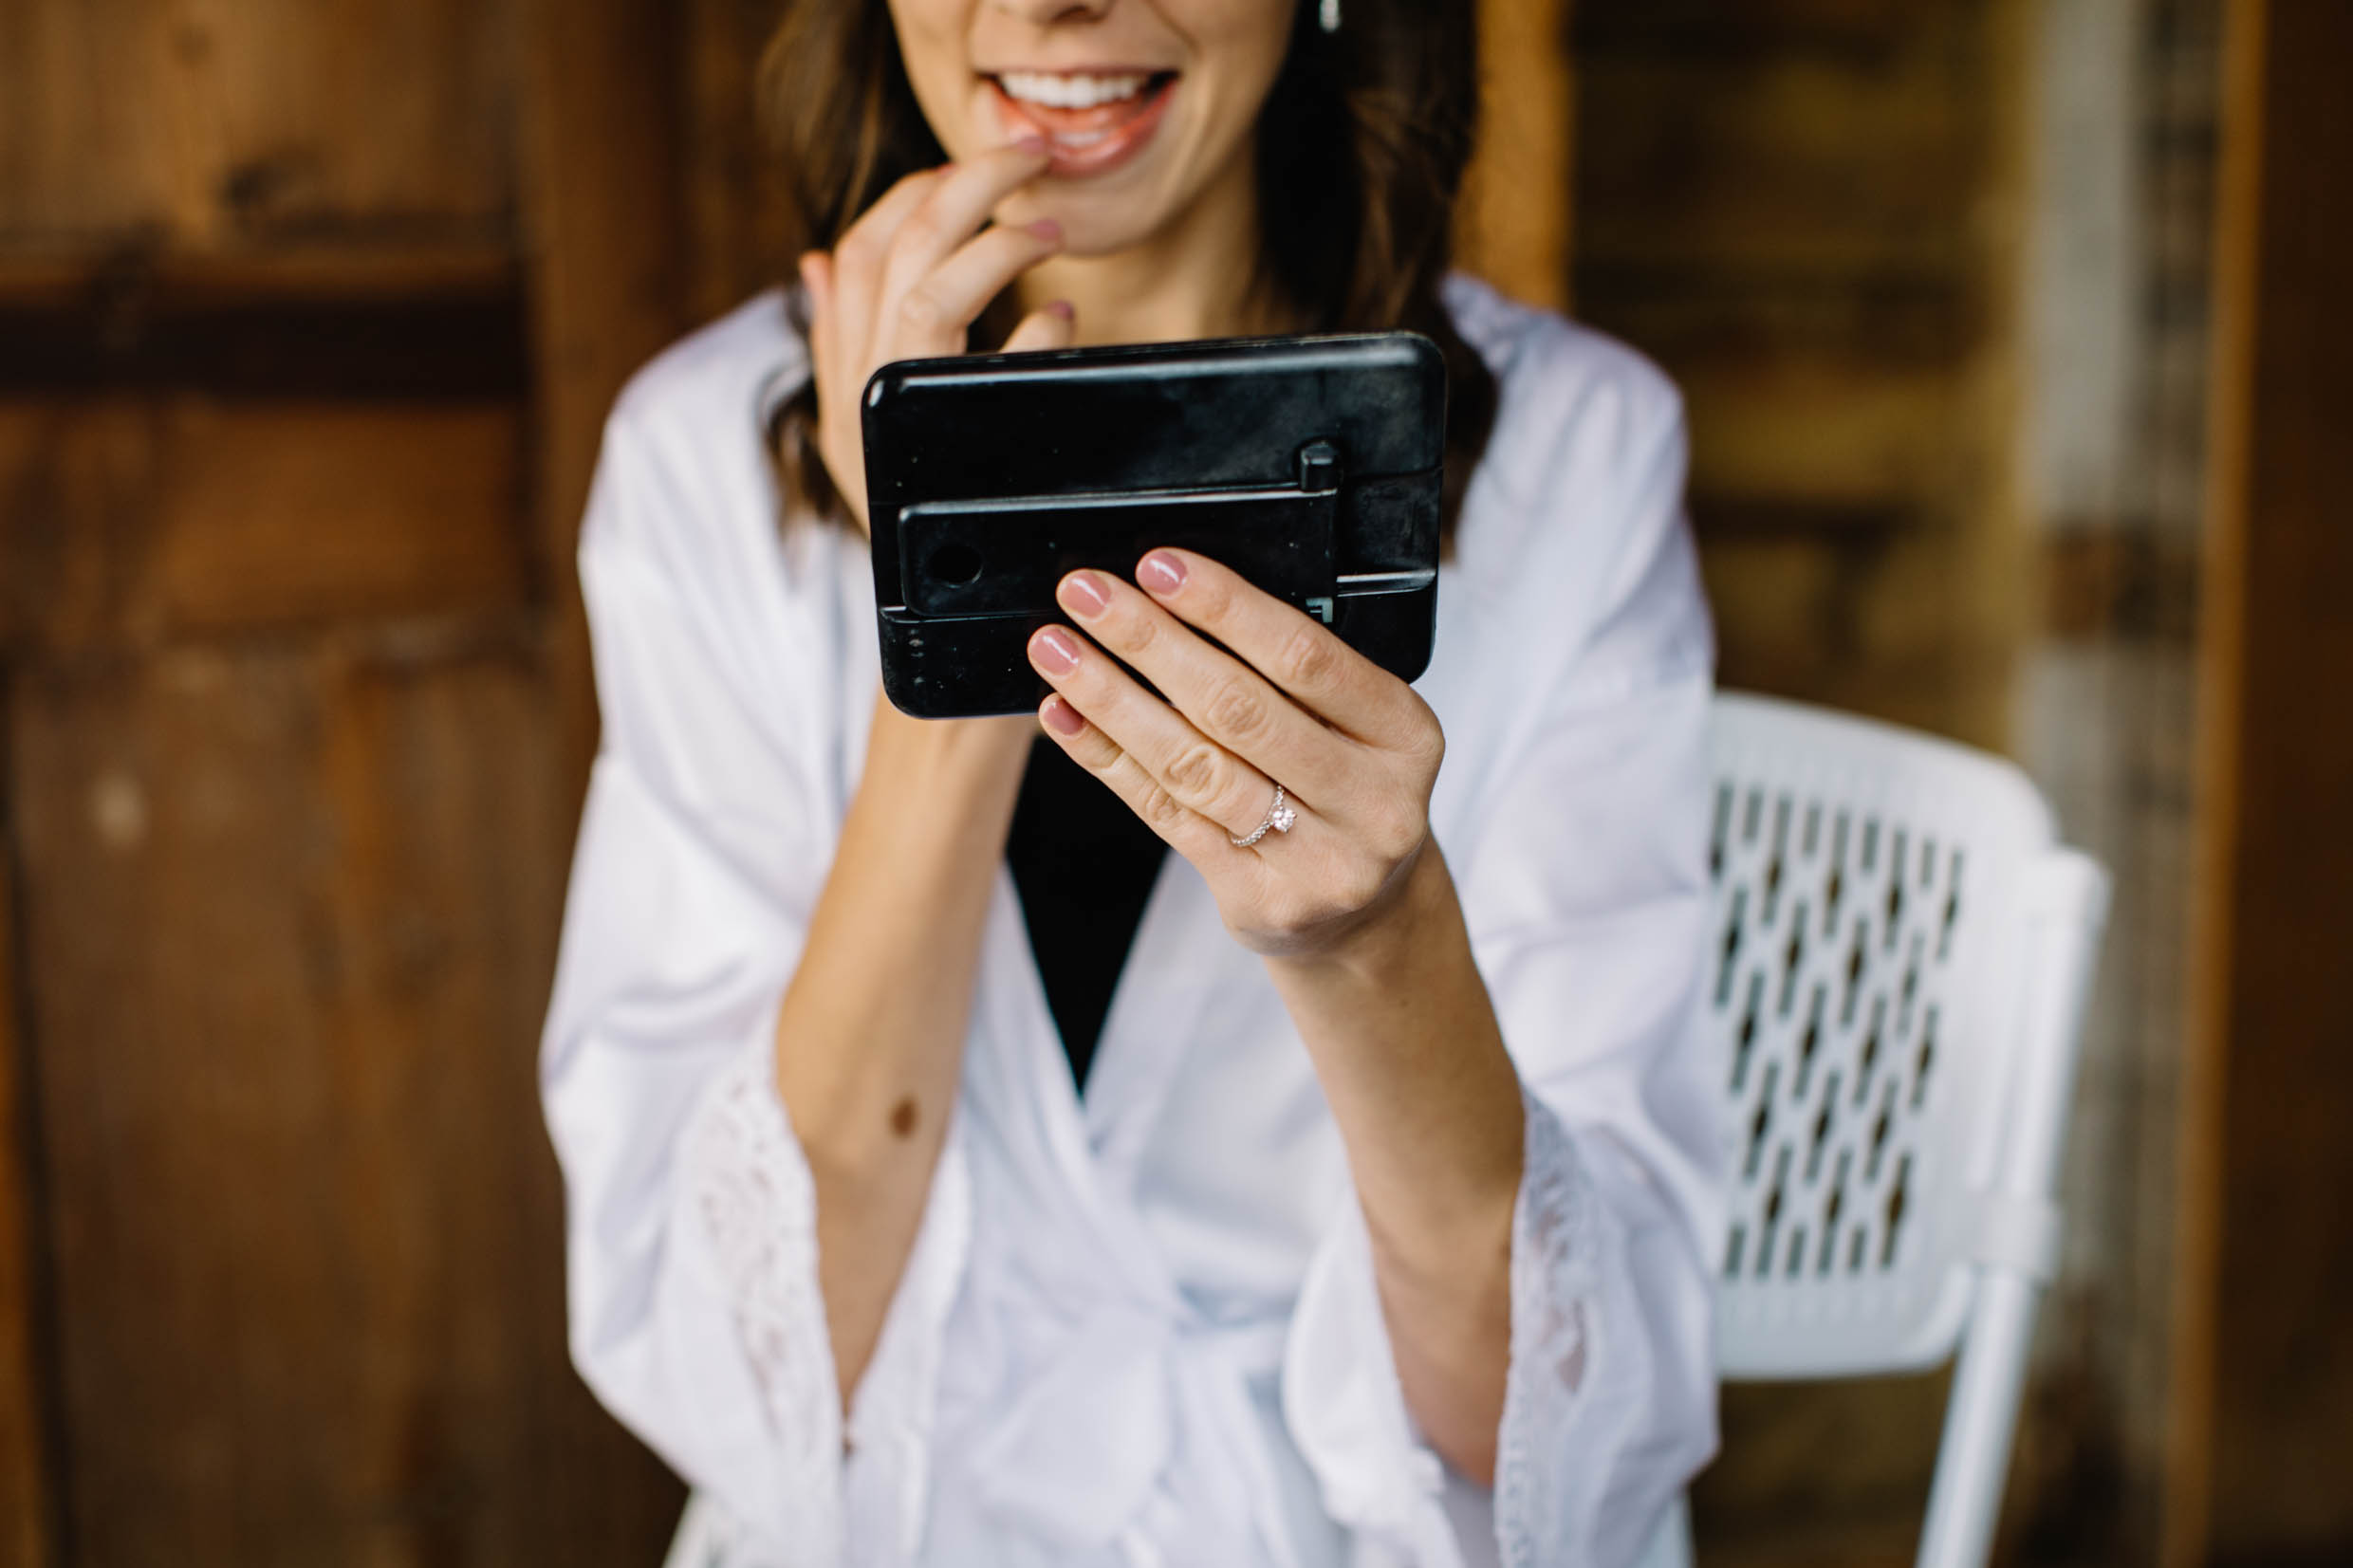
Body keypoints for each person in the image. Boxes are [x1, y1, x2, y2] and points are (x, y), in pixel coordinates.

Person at [540, 2, 1721, 1563]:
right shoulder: (694, 454)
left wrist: (1377, 943)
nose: (1055, 3)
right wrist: (944, 593)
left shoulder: (1580, 454)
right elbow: (746, 1371)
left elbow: (1565, 1439)